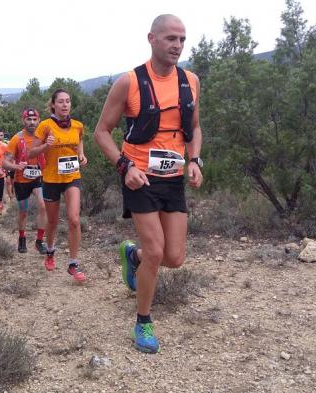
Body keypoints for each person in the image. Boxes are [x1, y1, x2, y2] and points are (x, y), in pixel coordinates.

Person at [93, 14, 203, 353]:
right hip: (138, 176)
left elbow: (194, 127)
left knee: (175, 257)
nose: (178, 45)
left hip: (172, 179)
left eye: (182, 39)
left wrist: (195, 159)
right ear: (152, 39)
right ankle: (143, 322)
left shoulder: (191, 81)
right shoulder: (130, 82)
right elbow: (101, 132)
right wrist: (124, 166)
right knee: (157, 251)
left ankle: (134, 257)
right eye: (171, 38)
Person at [29, 89, 88, 282]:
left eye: (68, 101)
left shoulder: (78, 125)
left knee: (74, 219)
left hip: (72, 177)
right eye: (60, 101)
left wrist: (81, 155)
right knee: (53, 221)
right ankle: (50, 251)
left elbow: (79, 142)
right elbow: (31, 153)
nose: (65, 105)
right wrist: (46, 146)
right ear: (53, 104)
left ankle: (73, 263)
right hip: (51, 179)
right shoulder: (45, 126)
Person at [2, 108, 49, 254]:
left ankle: (39, 241)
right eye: (29, 119)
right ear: (23, 121)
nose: (32, 122)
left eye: (35, 119)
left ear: (39, 120)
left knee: (43, 206)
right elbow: (4, 162)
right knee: (23, 211)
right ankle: (22, 238)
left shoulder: (45, 137)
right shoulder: (17, 138)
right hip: (21, 180)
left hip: (38, 178)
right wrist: (16, 166)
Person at [0, 130, 15, 202]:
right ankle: (10, 198)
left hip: (10, 164)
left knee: (13, 182)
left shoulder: (8, 143)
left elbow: (13, 153)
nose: (0, 137)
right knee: (7, 181)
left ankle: (13, 195)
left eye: (1, 135)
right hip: (1, 165)